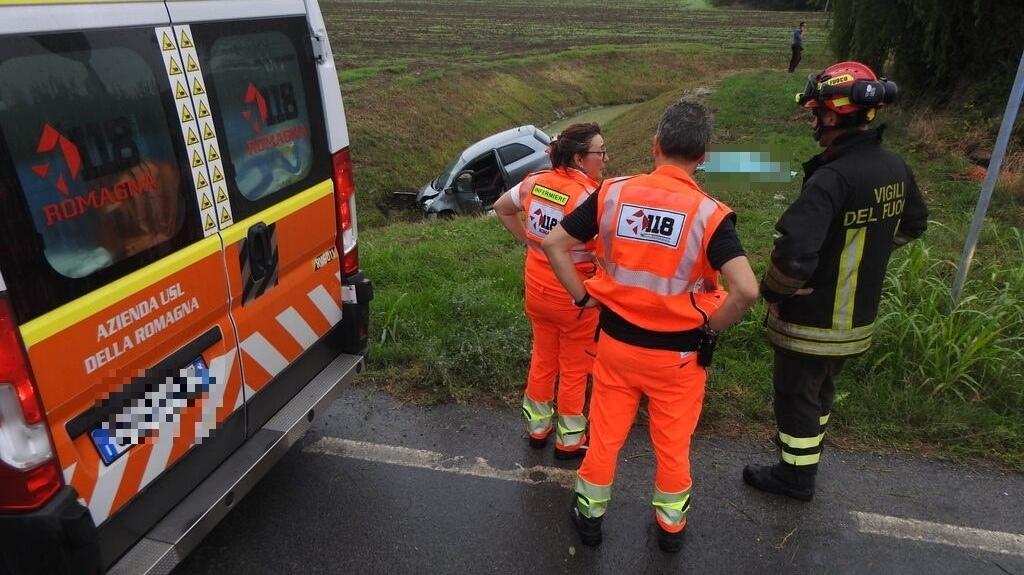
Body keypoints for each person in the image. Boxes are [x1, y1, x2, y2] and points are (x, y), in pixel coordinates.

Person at [542, 100, 758, 552]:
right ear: (702, 156)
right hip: (678, 359)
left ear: (656, 145)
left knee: (604, 437)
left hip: (616, 345)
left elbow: (555, 243)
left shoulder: (614, 193)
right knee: (673, 444)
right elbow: (746, 291)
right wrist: (710, 330)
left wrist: (583, 296)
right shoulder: (709, 215)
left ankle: (589, 516)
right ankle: (670, 529)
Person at [743, 61, 928, 501]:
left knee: (795, 393)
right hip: (858, 316)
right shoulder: (893, 166)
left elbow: (792, 258)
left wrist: (772, 294)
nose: (814, 122)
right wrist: (866, 252)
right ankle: (805, 451)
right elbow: (913, 224)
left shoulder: (831, 178)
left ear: (833, 115)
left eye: (817, 113)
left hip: (814, 318)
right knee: (820, 390)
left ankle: (796, 476)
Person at [492, 123, 607, 459]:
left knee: (543, 359)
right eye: (600, 152)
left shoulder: (536, 182)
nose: (605, 159)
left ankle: (537, 428)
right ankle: (570, 440)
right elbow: (604, 249)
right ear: (579, 158)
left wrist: (527, 239)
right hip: (574, 296)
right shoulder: (589, 197)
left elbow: (501, 206)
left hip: (537, 290)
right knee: (574, 368)